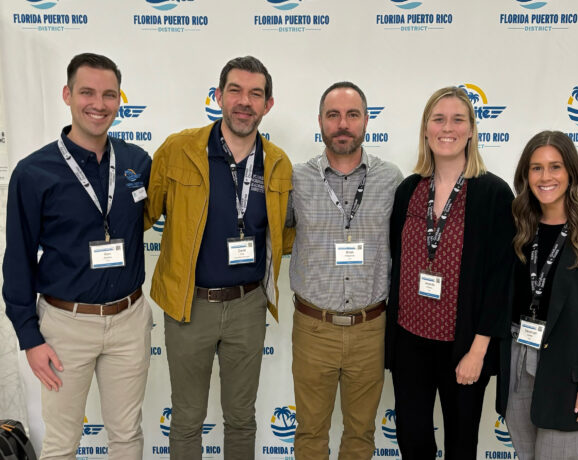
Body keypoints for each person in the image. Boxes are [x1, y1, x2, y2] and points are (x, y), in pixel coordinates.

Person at [2, 52, 152, 460]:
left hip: (129, 320)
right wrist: (30, 338)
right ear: (67, 95)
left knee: (127, 434)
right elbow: (17, 263)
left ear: (119, 100)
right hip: (66, 325)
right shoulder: (34, 173)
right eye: (87, 92)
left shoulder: (137, 162)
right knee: (62, 442)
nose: (98, 104)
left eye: (109, 94)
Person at [145, 56, 293, 460]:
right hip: (188, 303)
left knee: (242, 418)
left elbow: (287, 232)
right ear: (218, 96)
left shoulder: (278, 163)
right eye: (236, 91)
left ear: (268, 104)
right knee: (188, 418)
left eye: (255, 94)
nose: (245, 102)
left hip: (248, 306)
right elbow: (142, 213)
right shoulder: (178, 149)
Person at [384, 86, 515, 459]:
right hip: (409, 341)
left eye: (458, 120)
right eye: (438, 119)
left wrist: (478, 350)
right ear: (426, 130)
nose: (448, 128)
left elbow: (499, 281)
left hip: (463, 348)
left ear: (472, 130)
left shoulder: (493, 194)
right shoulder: (409, 190)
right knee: (412, 440)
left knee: (461, 445)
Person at [287, 81, 403, 460]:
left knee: (360, 435)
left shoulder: (391, 179)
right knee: (309, 433)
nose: (342, 124)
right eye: (333, 115)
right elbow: (274, 233)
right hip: (313, 328)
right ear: (320, 121)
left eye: (352, 115)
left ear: (366, 121)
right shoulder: (296, 179)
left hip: (370, 330)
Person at [498, 130, 578, 460]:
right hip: (517, 358)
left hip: (568, 368)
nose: (545, 177)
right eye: (536, 168)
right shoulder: (518, 231)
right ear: (525, 176)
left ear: (571, 172)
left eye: (555, 167)